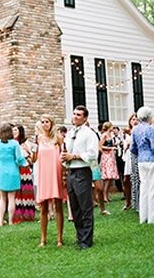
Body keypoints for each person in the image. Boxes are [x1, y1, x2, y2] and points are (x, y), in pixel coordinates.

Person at [61, 106, 99, 250]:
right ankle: (80, 236)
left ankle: (87, 240)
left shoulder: (89, 134)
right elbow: (67, 151)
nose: (75, 116)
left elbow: (92, 154)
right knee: (75, 207)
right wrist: (64, 158)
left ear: (85, 118)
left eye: (79, 115)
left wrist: (75, 156)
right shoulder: (70, 133)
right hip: (71, 172)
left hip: (83, 172)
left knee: (85, 207)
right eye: (74, 114)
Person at [34, 115, 67, 247]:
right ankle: (43, 239)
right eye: (42, 122)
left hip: (56, 172)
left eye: (47, 122)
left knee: (58, 206)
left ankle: (59, 239)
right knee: (44, 207)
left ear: (51, 123)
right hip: (44, 174)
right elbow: (36, 157)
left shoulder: (58, 137)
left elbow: (64, 154)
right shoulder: (39, 138)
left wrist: (64, 173)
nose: (44, 124)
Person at [0, 123, 27, 226]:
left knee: (2, 198)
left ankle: (0, 221)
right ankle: (10, 221)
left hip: (1, 171)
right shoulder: (14, 144)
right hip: (13, 171)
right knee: (11, 198)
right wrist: (25, 164)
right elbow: (19, 158)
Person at [130, 106, 154, 224]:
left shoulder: (135, 130)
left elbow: (132, 148)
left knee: (144, 188)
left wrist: (141, 153)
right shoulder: (151, 129)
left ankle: (143, 216)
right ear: (150, 117)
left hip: (141, 161)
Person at [13, 125, 36, 223]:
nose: (13, 131)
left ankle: (28, 214)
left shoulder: (26, 144)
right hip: (14, 169)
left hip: (25, 169)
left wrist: (28, 153)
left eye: (15, 130)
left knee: (26, 192)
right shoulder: (11, 143)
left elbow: (32, 159)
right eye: (12, 130)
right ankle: (18, 214)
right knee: (17, 192)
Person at [99, 122, 119, 204]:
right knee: (107, 176)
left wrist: (114, 145)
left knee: (110, 177)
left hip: (111, 156)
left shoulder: (111, 135)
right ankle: (104, 195)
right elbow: (100, 146)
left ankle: (107, 195)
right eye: (112, 126)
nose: (113, 128)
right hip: (107, 157)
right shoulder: (104, 135)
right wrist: (111, 148)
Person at [127, 112, 140, 211]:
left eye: (137, 119)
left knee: (138, 178)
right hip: (128, 157)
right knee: (131, 179)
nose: (135, 121)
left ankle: (139, 203)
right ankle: (133, 202)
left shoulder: (139, 131)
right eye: (133, 119)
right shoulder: (128, 133)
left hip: (138, 156)